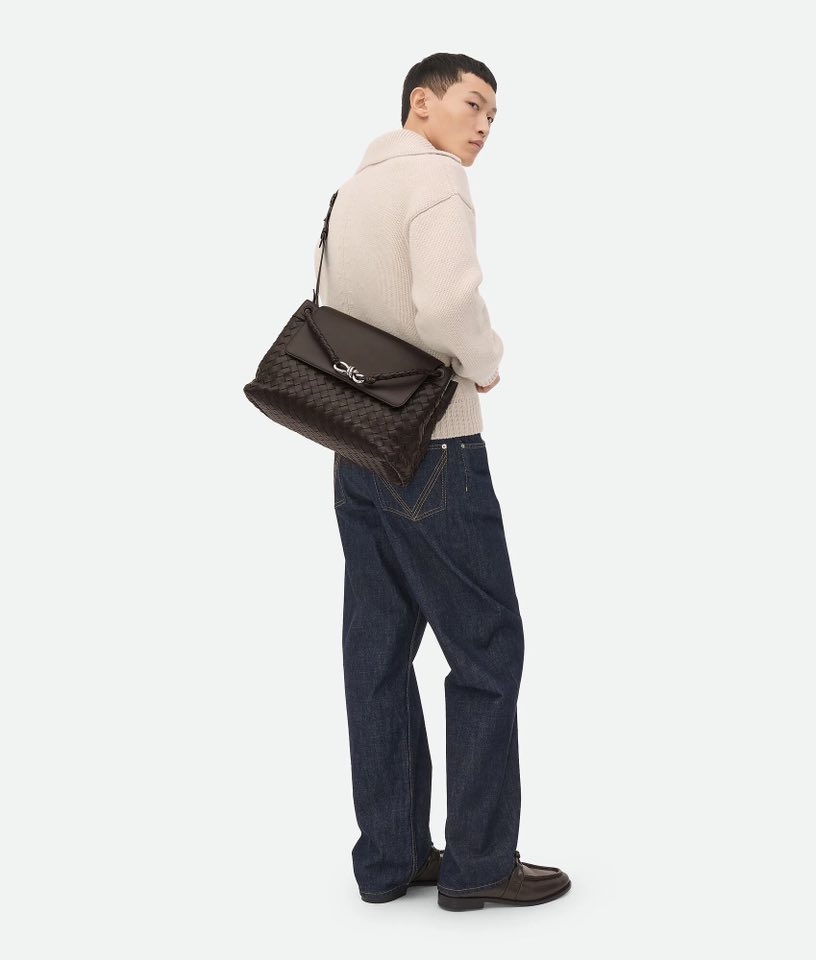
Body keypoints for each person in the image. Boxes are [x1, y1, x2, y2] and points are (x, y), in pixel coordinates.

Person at [316, 52, 572, 911]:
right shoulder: (436, 181)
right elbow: (447, 303)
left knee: (377, 657)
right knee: (487, 648)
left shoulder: (350, 192)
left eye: (494, 114)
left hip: (357, 450)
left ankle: (390, 859)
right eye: (473, 103)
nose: (485, 125)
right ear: (420, 103)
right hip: (437, 451)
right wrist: (485, 363)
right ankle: (479, 863)